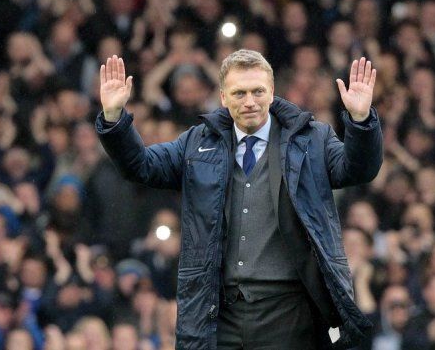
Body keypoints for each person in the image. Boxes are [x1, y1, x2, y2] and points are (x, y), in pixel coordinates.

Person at [95, 50, 382, 349]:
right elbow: (140, 165)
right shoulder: (196, 143)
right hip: (219, 314)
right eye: (239, 92)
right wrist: (115, 119)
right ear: (223, 97)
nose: (249, 101)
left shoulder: (312, 139)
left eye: (258, 91)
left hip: (290, 313)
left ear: (271, 93)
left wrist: (361, 121)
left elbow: (358, 169)